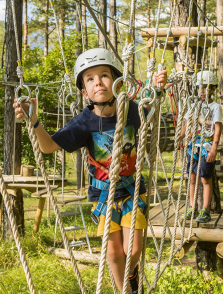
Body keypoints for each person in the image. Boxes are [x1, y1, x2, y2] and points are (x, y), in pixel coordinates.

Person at [14, 48, 167, 294]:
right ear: (84, 91)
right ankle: (126, 290)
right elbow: (48, 145)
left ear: (117, 82)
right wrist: (34, 121)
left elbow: (151, 109)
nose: (99, 82)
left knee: (134, 250)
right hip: (103, 196)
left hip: (131, 191)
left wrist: (157, 89)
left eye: (104, 75)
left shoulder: (130, 110)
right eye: (90, 79)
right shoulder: (83, 122)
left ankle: (131, 272)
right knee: (113, 252)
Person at [180, 71, 223, 224]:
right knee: (191, 177)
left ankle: (205, 209)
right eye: (200, 87)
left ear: (213, 89)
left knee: (205, 178)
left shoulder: (216, 107)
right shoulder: (194, 105)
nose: (202, 91)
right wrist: (180, 136)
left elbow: (217, 129)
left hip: (207, 146)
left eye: (206, 88)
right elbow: (187, 124)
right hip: (193, 146)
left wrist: (214, 149)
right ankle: (192, 207)